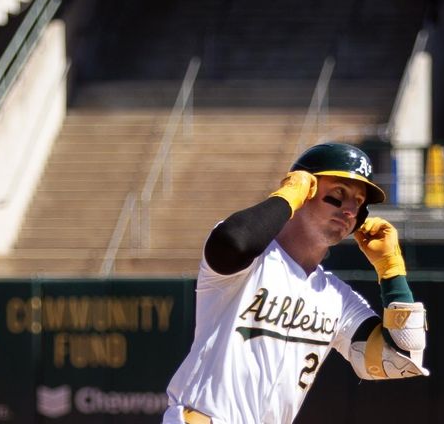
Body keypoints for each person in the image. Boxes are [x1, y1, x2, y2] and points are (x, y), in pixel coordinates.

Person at [162, 142, 429, 424]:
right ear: (303, 192)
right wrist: (288, 196)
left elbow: (399, 359)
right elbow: (232, 241)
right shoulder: (252, 260)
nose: (350, 209)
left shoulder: (337, 297)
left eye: (359, 203)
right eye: (338, 194)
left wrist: (391, 270)